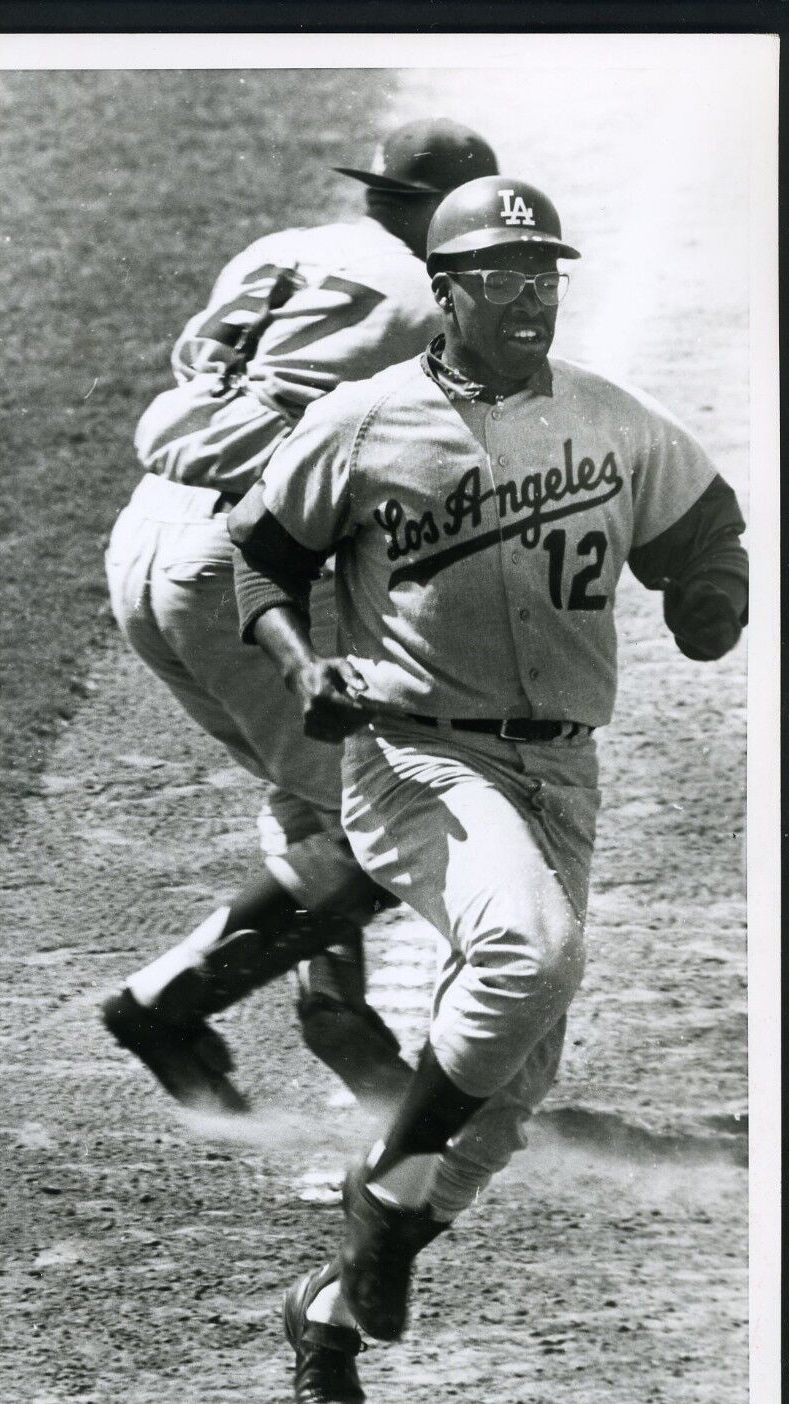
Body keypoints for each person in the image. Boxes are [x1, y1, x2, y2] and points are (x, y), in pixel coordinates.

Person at [228, 173, 748, 1404]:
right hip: (415, 758)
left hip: (561, 776)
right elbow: (259, 555)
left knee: (506, 1094)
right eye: (504, 281)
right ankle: (383, 1216)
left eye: (546, 279)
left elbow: (707, 523)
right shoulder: (366, 422)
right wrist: (310, 668)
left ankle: (334, 1304)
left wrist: (709, 596)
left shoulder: (611, 423)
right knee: (529, 948)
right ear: (446, 294)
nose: (531, 300)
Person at [102, 120, 500, 1116]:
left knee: (318, 790)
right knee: (385, 826)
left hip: (144, 537)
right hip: (241, 556)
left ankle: (342, 1025)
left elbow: (210, 373)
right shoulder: (437, 301)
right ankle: (165, 1003)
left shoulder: (280, 251)